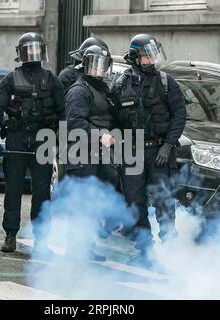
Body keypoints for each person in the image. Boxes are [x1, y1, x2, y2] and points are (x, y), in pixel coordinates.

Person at [111, 34, 186, 266]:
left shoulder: (166, 82)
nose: (151, 60)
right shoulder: (121, 84)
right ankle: (145, 250)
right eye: (146, 56)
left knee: (164, 199)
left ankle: (170, 247)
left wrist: (168, 145)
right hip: (132, 152)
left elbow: (179, 116)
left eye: (154, 55)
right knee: (135, 202)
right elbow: (112, 120)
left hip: (158, 152)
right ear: (134, 57)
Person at [0, 32, 65, 255]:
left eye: (36, 49)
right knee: (13, 189)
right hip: (17, 137)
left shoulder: (52, 80)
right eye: (28, 49)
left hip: (43, 139)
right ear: (21, 53)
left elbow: (62, 114)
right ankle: (10, 235)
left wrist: (63, 142)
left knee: (42, 192)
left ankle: (41, 239)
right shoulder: (10, 79)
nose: (32, 53)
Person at [64, 44, 119, 261]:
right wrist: (99, 135)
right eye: (94, 65)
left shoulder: (102, 90)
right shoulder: (79, 90)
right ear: (84, 66)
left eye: (101, 66)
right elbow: (75, 122)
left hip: (98, 153)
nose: (98, 70)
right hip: (80, 154)